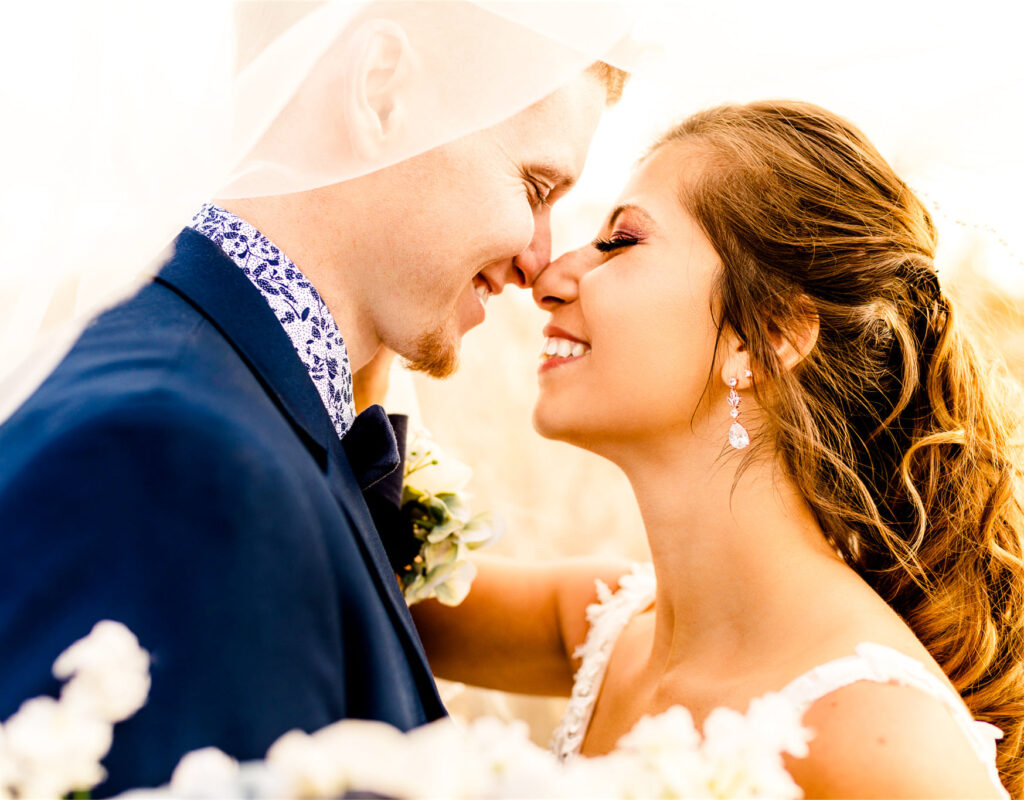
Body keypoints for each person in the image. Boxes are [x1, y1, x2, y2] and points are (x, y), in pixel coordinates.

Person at [0, 1, 629, 794]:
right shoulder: (177, 458)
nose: (541, 260)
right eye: (536, 186)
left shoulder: (229, 397)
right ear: (380, 90)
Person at [410, 100, 1023, 798]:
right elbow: (343, 566)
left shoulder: (881, 735)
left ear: (765, 333)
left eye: (620, 243)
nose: (550, 281)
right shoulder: (604, 634)